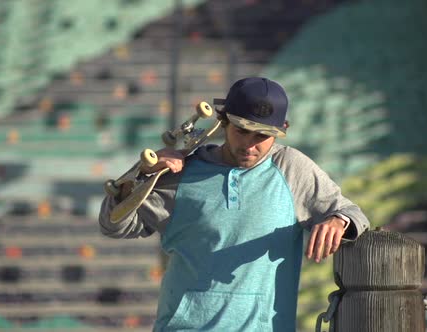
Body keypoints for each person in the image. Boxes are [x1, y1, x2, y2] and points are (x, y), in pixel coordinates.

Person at [99, 77, 370, 331]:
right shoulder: (179, 173)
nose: (249, 145)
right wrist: (140, 176)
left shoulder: (292, 169)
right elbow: (114, 225)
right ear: (223, 120)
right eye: (242, 131)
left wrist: (338, 220)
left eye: (261, 136)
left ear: (282, 130)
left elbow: (352, 213)